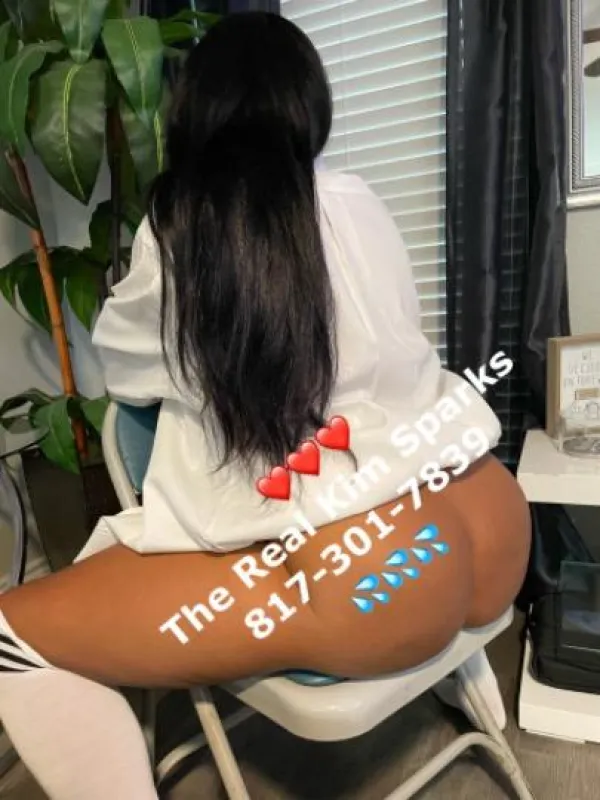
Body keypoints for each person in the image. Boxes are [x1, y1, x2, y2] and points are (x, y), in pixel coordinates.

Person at [0, 12, 531, 800]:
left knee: (9, 634)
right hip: (490, 519)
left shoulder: (183, 228)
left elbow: (129, 371)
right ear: (308, 106)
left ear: (193, 112)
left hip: (377, 576)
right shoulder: (360, 201)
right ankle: (464, 682)